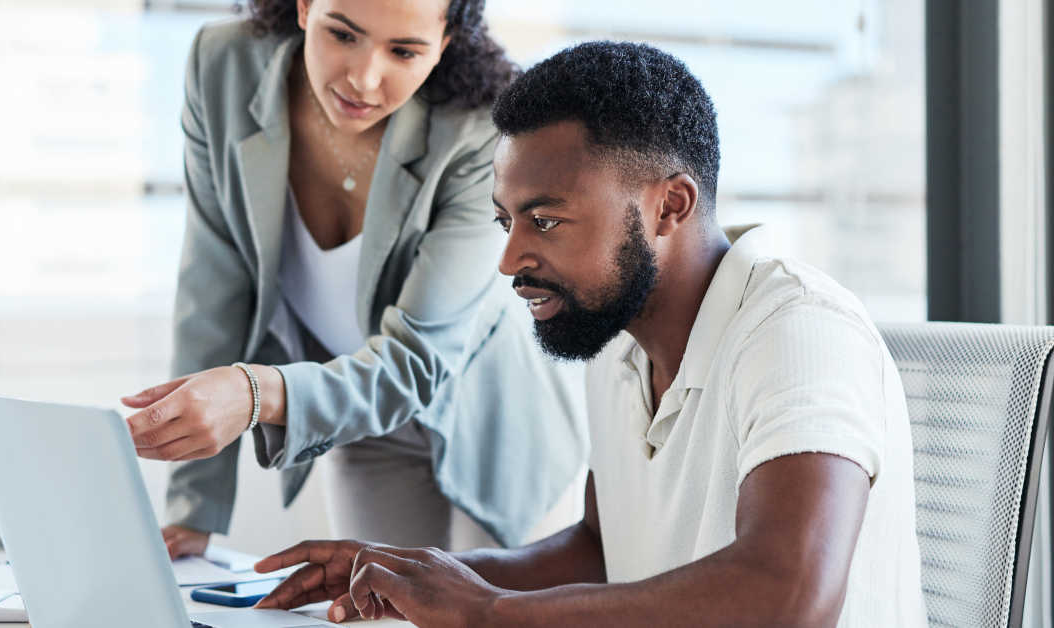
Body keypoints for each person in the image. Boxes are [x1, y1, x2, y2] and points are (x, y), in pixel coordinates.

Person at [248, 41, 929, 627]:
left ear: (671, 205)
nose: (510, 260)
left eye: (544, 221)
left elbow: (788, 597)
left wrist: (487, 614)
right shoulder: (621, 339)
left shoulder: (797, 330)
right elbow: (605, 551)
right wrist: (424, 577)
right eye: (504, 222)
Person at [120, 0, 586, 558]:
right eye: (343, 34)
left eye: (404, 51)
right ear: (304, 7)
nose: (364, 79)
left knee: (483, 612)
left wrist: (254, 393)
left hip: (495, 422)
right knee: (373, 611)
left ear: (445, 42)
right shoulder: (224, 64)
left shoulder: (485, 128)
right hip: (351, 409)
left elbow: (417, 358)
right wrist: (192, 508)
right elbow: (215, 285)